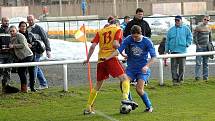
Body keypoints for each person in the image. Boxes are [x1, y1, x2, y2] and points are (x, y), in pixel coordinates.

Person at [83, 19, 138, 115]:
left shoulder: (100, 31)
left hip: (101, 61)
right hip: (110, 59)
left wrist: (88, 59)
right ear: (117, 24)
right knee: (125, 79)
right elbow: (115, 44)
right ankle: (125, 98)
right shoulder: (117, 29)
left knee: (98, 85)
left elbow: (92, 47)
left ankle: (88, 107)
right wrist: (123, 54)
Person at [104, 25, 156, 112]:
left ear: (141, 34)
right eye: (133, 36)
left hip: (142, 70)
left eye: (136, 36)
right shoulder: (129, 39)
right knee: (123, 83)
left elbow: (154, 57)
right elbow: (119, 50)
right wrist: (108, 57)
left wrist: (147, 66)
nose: (134, 39)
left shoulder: (147, 42)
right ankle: (129, 102)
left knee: (139, 89)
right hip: (131, 69)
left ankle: (149, 106)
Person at [165, 15, 193, 85]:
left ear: (181, 21)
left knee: (182, 67)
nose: (177, 21)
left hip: (182, 51)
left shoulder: (186, 29)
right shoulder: (171, 30)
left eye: (178, 20)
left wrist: (187, 44)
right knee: (173, 67)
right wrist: (166, 50)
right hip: (173, 51)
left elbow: (190, 37)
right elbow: (167, 41)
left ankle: (180, 80)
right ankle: (174, 80)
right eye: (176, 20)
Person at [8, 25, 36, 92]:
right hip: (23, 57)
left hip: (28, 55)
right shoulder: (11, 38)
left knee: (23, 71)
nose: (12, 32)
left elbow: (23, 45)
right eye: (10, 31)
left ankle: (26, 88)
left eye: (13, 31)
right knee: (23, 71)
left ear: (16, 30)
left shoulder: (20, 35)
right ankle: (27, 88)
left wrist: (13, 46)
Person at [27, 15, 51, 89]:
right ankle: (43, 84)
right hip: (31, 51)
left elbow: (45, 39)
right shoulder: (27, 29)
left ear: (34, 20)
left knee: (34, 67)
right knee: (36, 67)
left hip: (38, 50)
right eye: (29, 20)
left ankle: (30, 85)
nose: (30, 21)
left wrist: (48, 50)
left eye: (32, 20)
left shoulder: (39, 28)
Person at [0, 17, 19, 93]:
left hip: (9, 54)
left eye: (8, 21)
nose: (7, 22)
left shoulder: (11, 31)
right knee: (0, 70)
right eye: (5, 21)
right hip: (1, 54)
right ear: (1, 22)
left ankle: (5, 87)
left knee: (8, 71)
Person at [193, 15, 212, 81]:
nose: (206, 21)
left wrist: (210, 45)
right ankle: (197, 77)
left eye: (208, 20)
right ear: (202, 19)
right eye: (205, 19)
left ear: (209, 21)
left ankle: (205, 77)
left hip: (207, 48)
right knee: (198, 63)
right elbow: (194, 37)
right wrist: (197, 45)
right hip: (200, 47)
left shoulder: (209, 28)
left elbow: (210, 38)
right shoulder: (198, 27)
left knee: (206, 63)